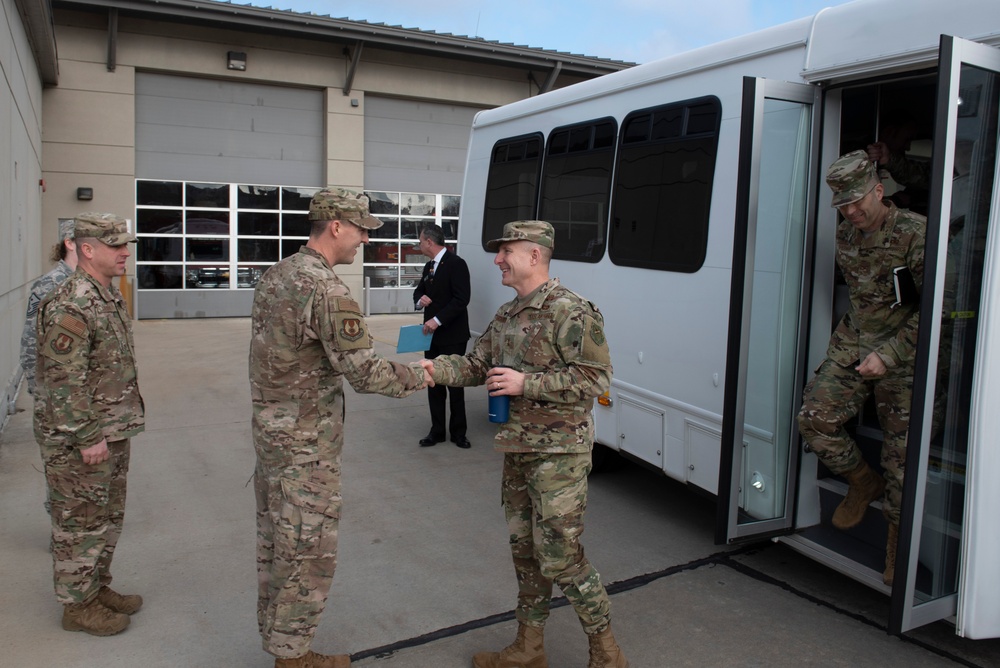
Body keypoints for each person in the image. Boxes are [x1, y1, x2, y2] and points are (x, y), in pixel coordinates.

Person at [422, 220, 628, 668]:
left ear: (534, 256)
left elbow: (596, 378)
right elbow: (478, 365)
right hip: (518, 451)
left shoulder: (570, 311)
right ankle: (529, 647)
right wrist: (431, 370)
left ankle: (607, 651)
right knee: (526, 553)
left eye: (506, 251)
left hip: (559, 457)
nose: (497, 259)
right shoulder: (507, 314)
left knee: (562, 557)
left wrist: (525, 383)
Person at [250, 188, 431, 668]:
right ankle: (292, 656)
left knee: (277, 542)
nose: (364, 241)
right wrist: (426, 374)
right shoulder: (327, 290)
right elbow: (366, 373)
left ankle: (280, 641)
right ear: (335, 227)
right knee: (307, 549)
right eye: (361, 231)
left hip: (272, 437)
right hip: (306, 446)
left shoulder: (277, 274)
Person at [797, 151, 926, 586]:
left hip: (905, 353)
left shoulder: (917, 234)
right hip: (855, 340)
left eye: (858, 202)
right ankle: (861, 481)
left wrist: (888, 354)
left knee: (902, 459)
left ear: (879, 190)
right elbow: (862, 296)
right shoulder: (846, 235)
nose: (852, 212)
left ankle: (895, 548)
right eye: (843, 206)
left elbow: (940, 311)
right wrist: (860, 348)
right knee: (814, 419)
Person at [33, 212, 145, 636]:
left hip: (110, 432)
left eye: (125, 244)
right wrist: (87, 434)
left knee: (107, 518)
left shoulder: (106, 294)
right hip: (82, 439)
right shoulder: (71, 302)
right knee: (79, 522)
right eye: (115, 245)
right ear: (85, 248)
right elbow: (63, 379)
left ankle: (96, 589)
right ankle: (76, 608)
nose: (124, 253)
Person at [412, 223, 472, 448]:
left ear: (429, 241)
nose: (419, 245)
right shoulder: (429, 266)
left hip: (452, 335)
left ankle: (459, 433)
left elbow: (461, 298)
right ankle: (437, 431)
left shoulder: (457, 264)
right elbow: (419, 291)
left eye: (420, 241)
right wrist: (420, 300)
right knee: (433, 383)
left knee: (455, 385)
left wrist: (437, 320)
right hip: (432, 337)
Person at [21, 219, 78, 394]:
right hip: (54, 388)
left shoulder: (88, 282)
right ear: (69, 243)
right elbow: (31, 337)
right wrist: (36, 387)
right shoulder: (50, 283)